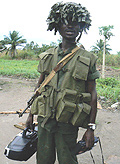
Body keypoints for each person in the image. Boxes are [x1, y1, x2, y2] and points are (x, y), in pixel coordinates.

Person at [26, 2, 100, 164]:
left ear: (81, 27)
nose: (71, 26)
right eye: (66, 21)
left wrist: (90, 128)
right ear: (57, 25)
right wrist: (31, 115)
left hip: (68, 122)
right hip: (45, 121)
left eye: (75, 23)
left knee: (68, 160)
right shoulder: (48, 56)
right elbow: (39, 88)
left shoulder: (88, 58)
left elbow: (93, 94)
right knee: (43, 159)